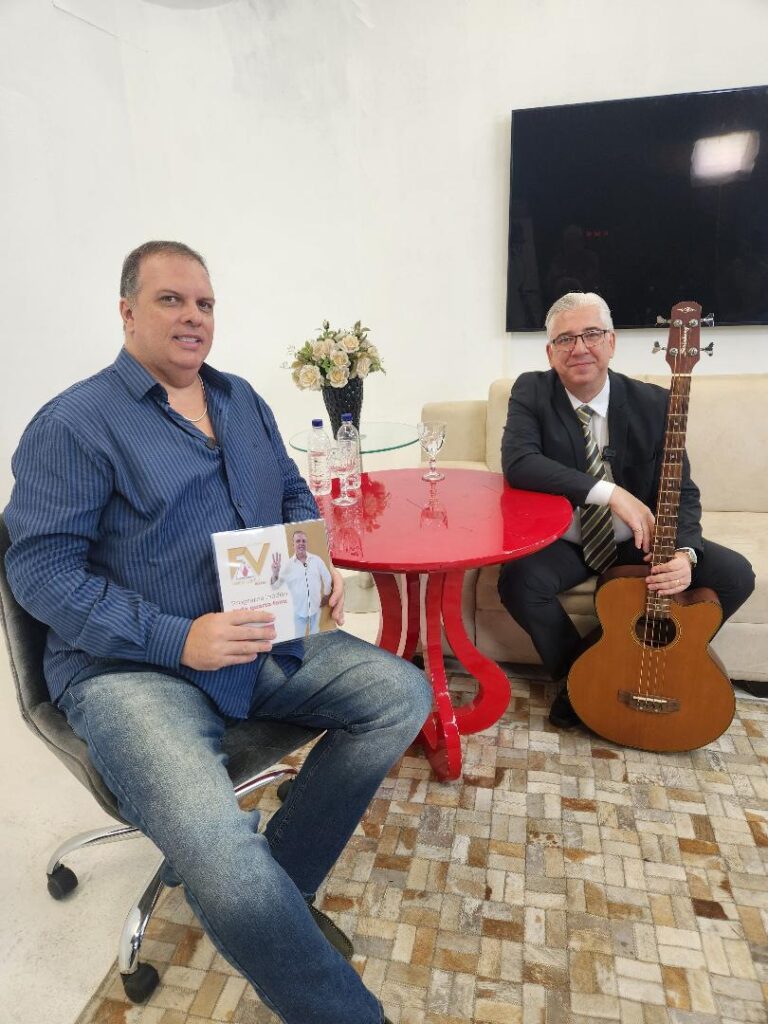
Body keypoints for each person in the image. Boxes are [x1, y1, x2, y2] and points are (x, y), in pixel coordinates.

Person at [4, 240, 432, 1024]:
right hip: (129, 671)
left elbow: (292, 490)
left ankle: (278, 897)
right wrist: (177, 638)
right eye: (170, 300)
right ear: (127, 312)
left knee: (401, 695)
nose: (193, 317)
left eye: (204, 303)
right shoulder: (74, 424)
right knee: (222, 858)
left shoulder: (240, 400)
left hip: (256, 638)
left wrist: (311, 559)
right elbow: (41, 575)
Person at [497, 291, 755, 729]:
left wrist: (685, 553)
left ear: (611, 342)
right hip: (567, 539)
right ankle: (580, 679)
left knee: (736, 575)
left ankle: (628, 661)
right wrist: (610, 493)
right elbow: (519, 463)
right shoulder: (532, 391)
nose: (579, 348)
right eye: (565, 339)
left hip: (636, 540)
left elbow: (682, 489)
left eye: (592, 334)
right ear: (550, 352)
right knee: (518, 581)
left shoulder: (653, 402)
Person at [271, 529, 333, 637]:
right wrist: (275, 573)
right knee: (299, 638)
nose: (301, 543)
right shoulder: (287, 565)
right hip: (299, 612)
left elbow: (327, 577)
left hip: (316, 609)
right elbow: (275, 586)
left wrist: (327, 595)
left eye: (303, 541)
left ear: (306, 543)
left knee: (316, 637)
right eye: (298, 541)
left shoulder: (316, 560)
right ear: (293, 545)